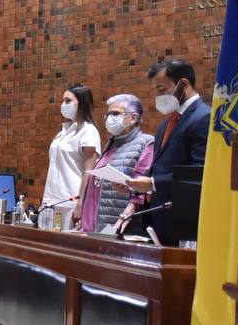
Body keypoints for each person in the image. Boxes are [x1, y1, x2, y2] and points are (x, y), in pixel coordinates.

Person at [126, 58, 212, 244]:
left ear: (183, 83)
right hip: (159, 219)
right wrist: (135, 184)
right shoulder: (167, 122)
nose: (158, 97)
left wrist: (153, 183)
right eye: (155, 91)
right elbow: (159, 167)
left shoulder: (204, 117)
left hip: (185, 222)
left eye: (162, 90)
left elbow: (201, 172)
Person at [80, 94, 154, 234]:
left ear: (133, 118)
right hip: (94, 224)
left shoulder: (146, 143)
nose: (109, 118)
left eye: (115, 113)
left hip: (120, 224)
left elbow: (141, 189)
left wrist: (127, 213)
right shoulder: (111, 143)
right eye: (108, 114)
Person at [41, 83, 101, 227]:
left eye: (68, 101)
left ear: (82, 103)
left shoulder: (89, 131)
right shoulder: (63, 131)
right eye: (63, 100)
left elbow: (89, 172)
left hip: (71, 202)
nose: (63, 104)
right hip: (50, 201)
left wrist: (80, 204)